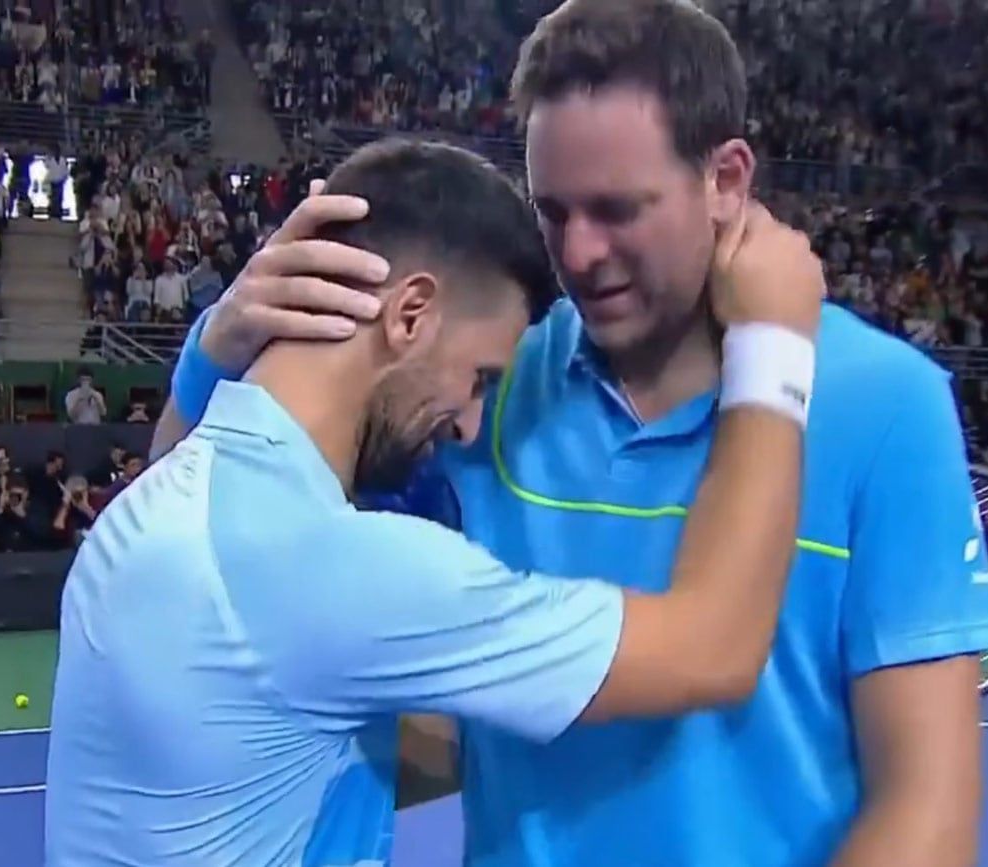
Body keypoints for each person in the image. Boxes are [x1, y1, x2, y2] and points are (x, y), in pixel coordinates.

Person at [151, 3, 988, 865]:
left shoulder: (887, 402)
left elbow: (925, 810)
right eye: (554, 212)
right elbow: (198, 546)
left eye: (617, 208)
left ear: (727, 180)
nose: (582, 253)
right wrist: (215, 349)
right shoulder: (487, 388)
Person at [47, 138, 824, 865]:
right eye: (480, 377)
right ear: (409, 314)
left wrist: (215, 343)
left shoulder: (163, 508)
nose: (468, 423)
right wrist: (773, 347)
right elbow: (714, 649)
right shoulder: (329, 565)